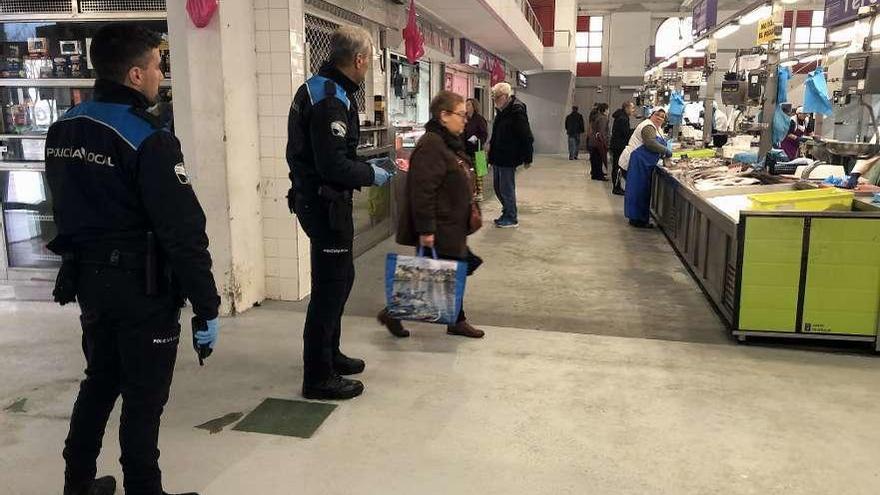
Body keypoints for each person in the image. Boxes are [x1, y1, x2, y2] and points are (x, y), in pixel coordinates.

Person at [46, 24, 221, 495]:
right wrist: (207, 304)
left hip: (88, 281)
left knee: (100, 380)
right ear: (135, 73)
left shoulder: (64, 125)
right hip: (142, 287)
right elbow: (183, 230)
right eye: (159, 66)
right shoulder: (148, 137)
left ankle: (77, 482)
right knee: (144, 399)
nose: (161, 75)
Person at [286, 26, 392, 400]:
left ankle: (330, 354)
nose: (368, 69)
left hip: (322, 200)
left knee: (340, 279)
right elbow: (332, 165)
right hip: (325, 202)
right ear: (359, 59)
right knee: (330, 290)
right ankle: (317, 377)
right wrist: (372, 173)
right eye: (370, 61)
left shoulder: (322, 89)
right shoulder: (330, 98)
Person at [377, 91, 485, 339]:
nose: (465, 120)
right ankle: (450, 320)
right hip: (440, 226)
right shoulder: (432, 144)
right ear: (444, 115)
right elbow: (422, 191)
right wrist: (426, 230)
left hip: (452, 224)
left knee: (446, 271)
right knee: (444, 271)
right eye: (460, 114)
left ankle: (398, 314)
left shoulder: (448, 143)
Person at [487, 82, 534, 229]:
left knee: (506, 188)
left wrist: (528, 157)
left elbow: (526, 136)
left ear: (506, 96)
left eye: (497, 97)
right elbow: (496, 134)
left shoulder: (516, 111)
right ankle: (506, 211)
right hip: (498, 156)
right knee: (497, 187)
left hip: (509, 156)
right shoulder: (501, 111)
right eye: (493, 97)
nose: (494, 100)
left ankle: (511, 217)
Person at [621, 108, 672, 228]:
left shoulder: (656, 128)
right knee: (638, 191)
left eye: (662, 117)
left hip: (644, 164)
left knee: (642, 191)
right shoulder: (648, 126)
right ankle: (637, 219)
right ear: (651, 115)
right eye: (657, 115)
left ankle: (638, 218)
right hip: (637, 162)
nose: (659, 118)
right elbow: (650, 143)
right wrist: (666, 151)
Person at [464, 98, 488, 201]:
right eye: (466, 105)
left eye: (469, 105)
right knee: (468, 172)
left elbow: (484, 134)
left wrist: (477, 138)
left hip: (478, 149)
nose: (466, 107)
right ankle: (471, 192)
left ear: (474, 106)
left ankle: (480, 193)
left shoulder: (479, 119)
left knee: (480, 172)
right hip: (466, 149)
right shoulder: (464, 119)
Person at [610, 101, 636, 195]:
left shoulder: (621, 116)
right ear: (626, 108)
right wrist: (635, 131)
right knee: (618, 167)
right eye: (632, 108)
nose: (633, 110)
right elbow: (625, 133)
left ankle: (617, 186)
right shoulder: (623, 119)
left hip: (616, 145)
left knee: (617, 166)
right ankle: (616, 188)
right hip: (619, 146)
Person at [587, 103, 610, 181]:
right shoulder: (603, 118)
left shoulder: (595, 117)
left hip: (592, 141)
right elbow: (602, 131)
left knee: (594, 158)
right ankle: (599, 175)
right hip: (599, 141)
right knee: (599, 159)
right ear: (605, 110)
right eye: (608, 109)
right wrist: (605, 143)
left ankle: (594, 173)